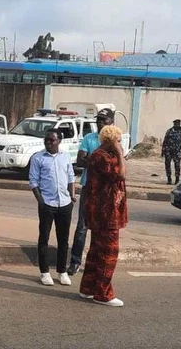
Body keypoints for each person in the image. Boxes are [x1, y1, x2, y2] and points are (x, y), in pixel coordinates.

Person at [79, 125, 128, 307]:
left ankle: (88, 288)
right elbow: (121, 175)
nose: (120, 144)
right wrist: (120, 154)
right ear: (111, 141)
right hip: (105, 213)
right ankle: (103, 294)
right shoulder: (101, 157)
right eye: (118, 141)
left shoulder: (104, 155)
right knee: (109, 253)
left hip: (103, 211)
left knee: (96, 250)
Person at [67, 108, 114, 276]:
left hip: (106, 190)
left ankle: (97, 262)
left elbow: (114, 167)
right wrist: (100, 163)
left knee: (101, 228)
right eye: (99, 120)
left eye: (104, 120)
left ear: (111, 123)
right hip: (89, 186)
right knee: (82, 226)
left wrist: (92, 160)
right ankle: (75, 262)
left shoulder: (115, 142)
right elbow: (80, 160)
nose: (100, 123)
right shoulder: (89, 138)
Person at [29, 128, 76, 286]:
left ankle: (62, 271)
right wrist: (40, 201)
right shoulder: (38, 158)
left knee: (63, 240)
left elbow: (70, 176)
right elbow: (34, 181)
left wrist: (72, 195)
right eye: (46, 140)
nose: (48, 142)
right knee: (44, 238)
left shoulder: (65, 156)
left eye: (52, 140)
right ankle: (44, 272)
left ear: (59, 141)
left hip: (64, 203)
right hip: (47, 204)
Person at [161, 118, 181, 184]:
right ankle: (169, 179)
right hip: (168, 151)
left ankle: (177, 179)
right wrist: (163, 151)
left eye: (179, 124)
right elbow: (165, 141)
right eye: (176, 124)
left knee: (177, 165)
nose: (178, 125)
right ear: (174, 124)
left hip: (177, 151)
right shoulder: (169, 131)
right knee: (167, 165)